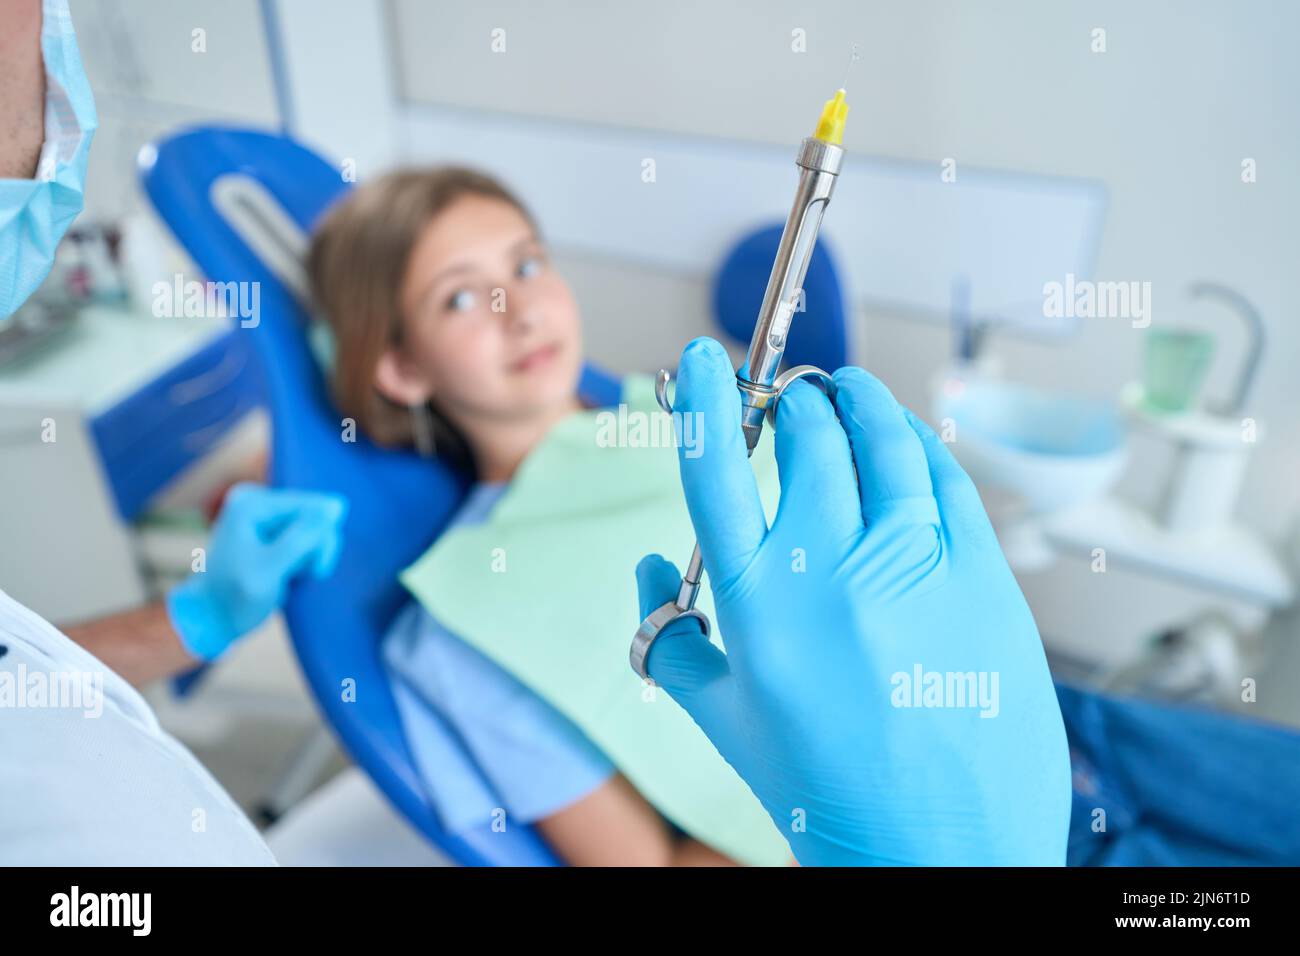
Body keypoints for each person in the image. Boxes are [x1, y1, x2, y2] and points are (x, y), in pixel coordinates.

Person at [0, 0, 1070, 867]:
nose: (521, 306)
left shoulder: (675, 418)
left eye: (524, 263)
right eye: (462, 298)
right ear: (399, 366)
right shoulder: (469, 620)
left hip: (1042, 748)